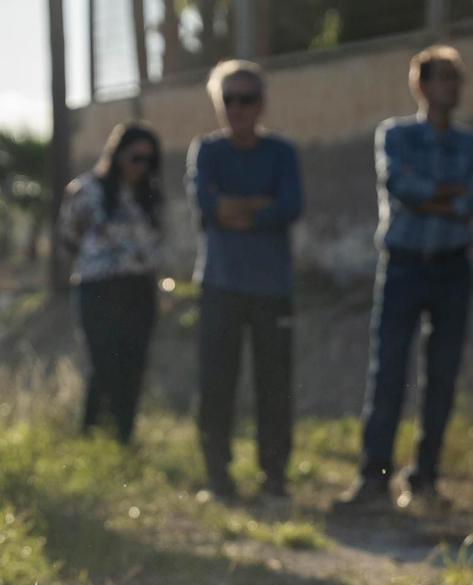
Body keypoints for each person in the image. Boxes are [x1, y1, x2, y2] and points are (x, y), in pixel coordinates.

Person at [336, 45, 473, 511]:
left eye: (456, 78)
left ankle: (424, 477)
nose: (451, 87)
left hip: (452, 266)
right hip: (404, 264)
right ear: (419, 85)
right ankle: (373, 479)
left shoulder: (471, 143)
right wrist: (450, 194)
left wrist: (432, 196)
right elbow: (401, 187)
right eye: (443, 77)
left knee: (442, 375)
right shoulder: (395, 134)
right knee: (388, 371)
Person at [187, 60, 303, 500]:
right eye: (229, 99)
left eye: (246, 98)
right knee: (216, 384)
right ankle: (219, 477)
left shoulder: (282, 152)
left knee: (274, 386)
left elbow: (289, 206)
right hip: (220, 285)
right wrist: (258, 206)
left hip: (273, 289)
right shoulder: (207, 150)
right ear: (219, 104)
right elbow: (207, 205)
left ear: (261, 103)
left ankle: (274, 477)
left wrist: (234, 207)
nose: (238, 108)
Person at [58, 121, 163, 444]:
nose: (140, 166)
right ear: (117, 155)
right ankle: (89, 435)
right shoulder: (86, 189)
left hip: (139, 288)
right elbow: (67, 236)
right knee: (103, 361)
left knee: (133, 361)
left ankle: (123, 436)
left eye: (148, 160)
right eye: (135, 157)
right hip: (97, 288)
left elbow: (157, 242)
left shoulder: (150, 195)